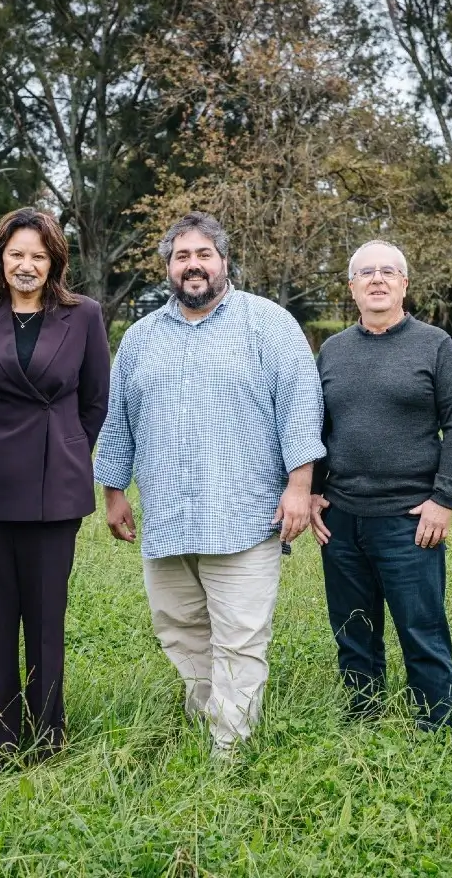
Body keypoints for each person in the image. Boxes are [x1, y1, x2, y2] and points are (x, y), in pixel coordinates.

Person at [94, 211, 325, 756]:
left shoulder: (268, 323)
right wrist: (113, 491)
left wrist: (299, 486)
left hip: (244, 512)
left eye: (203, 255)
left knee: (240, 636)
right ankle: (208, 718)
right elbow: (118, 416)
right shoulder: (141, 338)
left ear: (224, 262)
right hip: (170, 514)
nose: (192, 266)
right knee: (180, 629)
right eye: (181, 257)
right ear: (167, 268)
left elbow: (300, 405)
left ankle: (230, 749)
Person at [0, 208, 109, 765]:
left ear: (55, 261)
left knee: (44, 615)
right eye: (17, 254)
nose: (27, 265)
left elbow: (93, 403)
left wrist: (60, 449)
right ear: (0, 259)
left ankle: (44, 735)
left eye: (38, 255)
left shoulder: (84, 316)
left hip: (53, 489)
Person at [309, 240, 452, 730]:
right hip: (342, 518)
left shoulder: (433, 344)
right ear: (352, 288)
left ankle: (435, 724)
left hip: (410, 517)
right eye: (366, 273)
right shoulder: (333, 351)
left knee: (421, 627)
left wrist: (443, 498)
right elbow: (318, 425)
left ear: (404, 284)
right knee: (353, 629)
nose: (377, 280)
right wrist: (315, 489)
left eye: (388, 272)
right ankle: (363, 717)